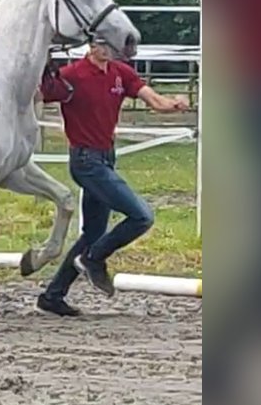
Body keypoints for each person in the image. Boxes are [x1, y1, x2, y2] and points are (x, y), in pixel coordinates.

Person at [36, 39, 190, 316]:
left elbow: (154, 100)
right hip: (86, 161)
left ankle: (53, 295)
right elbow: (39, 94)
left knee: (93, 232)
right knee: (142, 216)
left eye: (111, 43)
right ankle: (93, 258)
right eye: (102, 43)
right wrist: (44, 68)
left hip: (106, 157)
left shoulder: (120, 72)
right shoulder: (72, 75)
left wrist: (173, 103)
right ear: (90, 45)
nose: (108, 48)